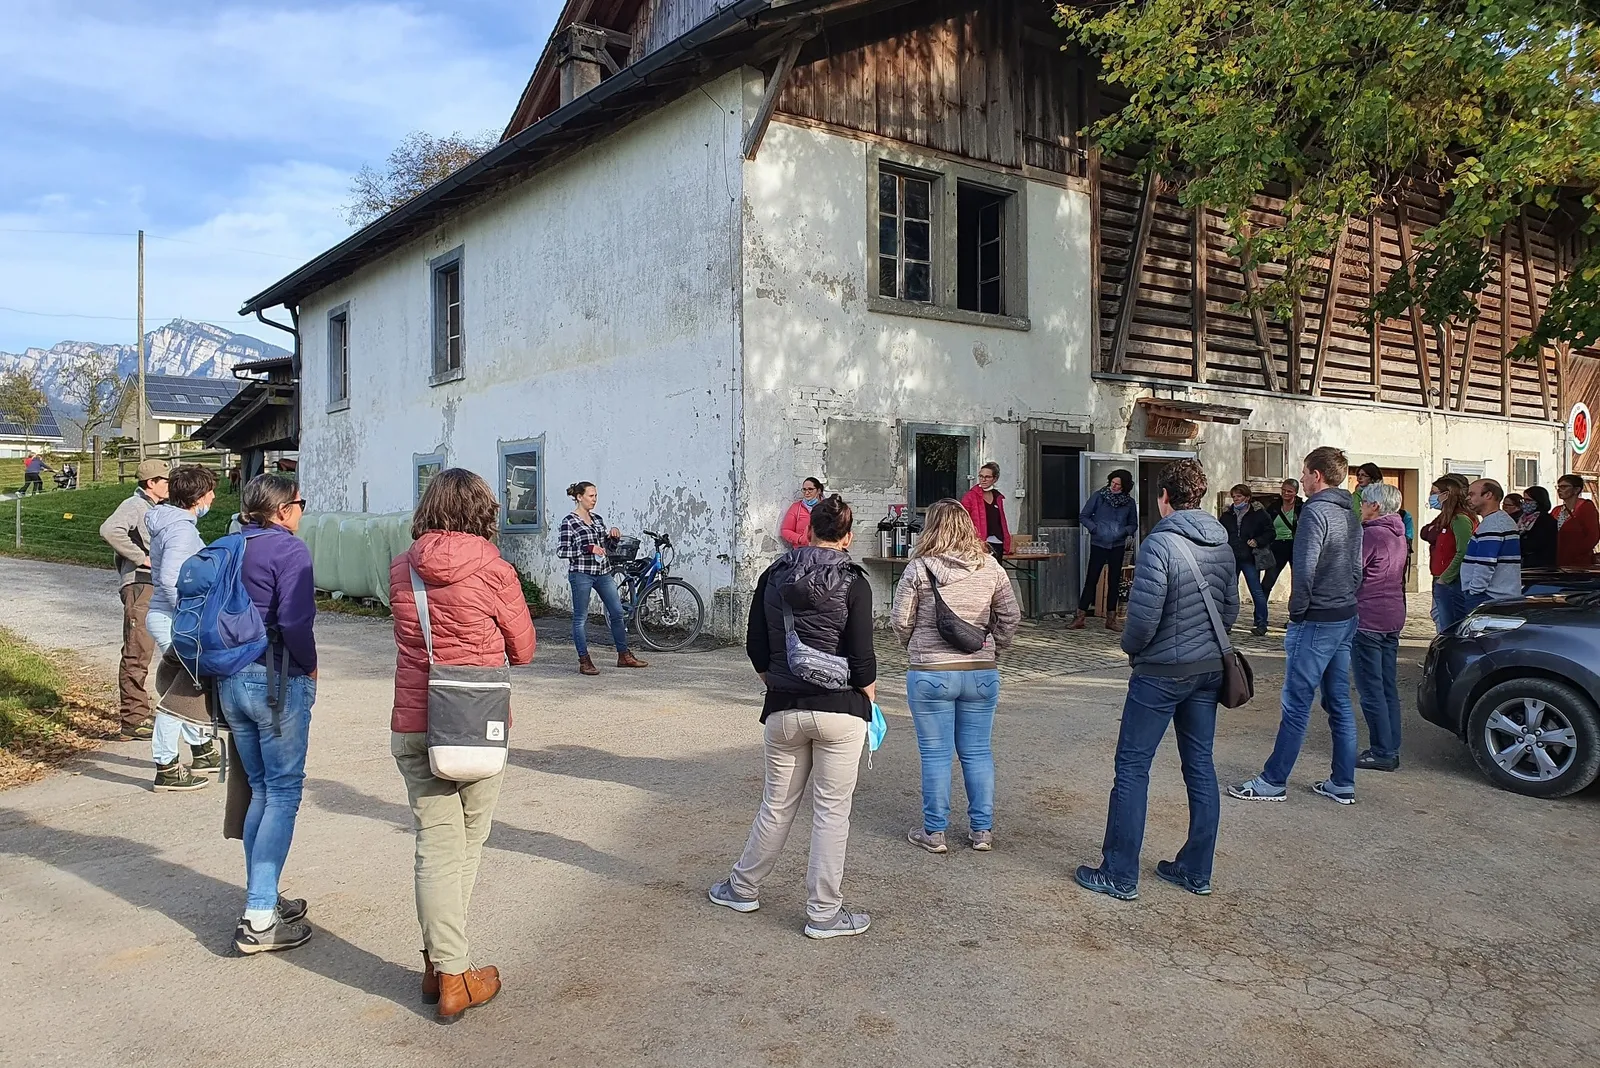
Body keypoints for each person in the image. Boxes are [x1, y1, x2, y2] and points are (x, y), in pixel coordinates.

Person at [390, 469, 536, 1021]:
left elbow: (408, 639)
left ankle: (440, 964)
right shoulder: (496, 570)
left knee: (436, 846)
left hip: (414, 719)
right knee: (467, 844)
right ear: (483, 512)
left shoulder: (402, 568)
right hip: (476, 723)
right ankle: (453, 975)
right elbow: (522, 649)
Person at [710, 494, 875, 940]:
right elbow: (862, 659)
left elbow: (755, 643)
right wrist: (869, 702)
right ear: (848, 536)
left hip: (784, 707)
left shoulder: (773, 575)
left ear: (807, 531)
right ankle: (823, 913)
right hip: (842, 711)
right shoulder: (855, 582)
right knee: (831, 814)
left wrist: (775, 682)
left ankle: (742, 887)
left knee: (776, 806)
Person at [1075, 459, 1237, 901]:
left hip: (1161, 672)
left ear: (1163, 498)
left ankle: (1120, 872)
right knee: (1200, 767)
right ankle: (1195, 869)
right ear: (1199, 496)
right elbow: (1230, 611)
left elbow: (1142, 620)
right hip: (1206, 670)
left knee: (1132, 767)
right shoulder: (1222, 544)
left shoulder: (1159, 545)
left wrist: (1132, 649)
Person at [220, 474, 318, 955]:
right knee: (281, 793)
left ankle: (265, 895)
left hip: (230, 680)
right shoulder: (290, 551)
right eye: (299, 503)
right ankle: (259, 915)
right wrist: (310, 667)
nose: (302, 511)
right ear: (282, 510)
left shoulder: (232, 542)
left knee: (260, 789)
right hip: (276, 678)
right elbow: (297, 620)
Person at [1230, 447, 1361, 805]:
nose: (1300, 479)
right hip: (1345, 614)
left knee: (1296, 703)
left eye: (1304, 473)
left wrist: (1298, 613)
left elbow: (1304, 570)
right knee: (1339, 702)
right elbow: (1356, 567)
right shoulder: (1350, 512)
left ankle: (1273, 781)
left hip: (1317, 618)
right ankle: (1342, 782)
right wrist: (1346, 598)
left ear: (1317, 475)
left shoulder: (1315, 512)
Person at [891, 499, 1021, 854]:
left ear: (931, 528)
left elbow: (900, 620)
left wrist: (914, 647)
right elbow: (1010, 616)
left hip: (931, 672)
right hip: (981, 672)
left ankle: (934, 832)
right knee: (978, 751)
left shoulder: (918, 569)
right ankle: (981, 831)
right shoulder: (991, 568)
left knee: (935, 754)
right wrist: (996, 645)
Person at [144, 465, 219, 792]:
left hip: (168, 616)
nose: (214, 497)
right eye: (210, 491)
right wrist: (191, 614)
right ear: (198, 497)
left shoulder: (176, 523)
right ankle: (167, 766)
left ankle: (200, 749)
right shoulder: (181, 531)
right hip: (175, 619)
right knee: (180, 693)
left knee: (189, 685)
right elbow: (170, 578)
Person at [99, 458, 170, 741]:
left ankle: (138, 711)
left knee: (148, 649)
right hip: (140, 585)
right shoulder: (135, 505)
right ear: (151, 483)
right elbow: (109, 530)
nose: (170, 485)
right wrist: (142, 558)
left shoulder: (156, 508)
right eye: (165, 481)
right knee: (137, 651)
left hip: (153, 586)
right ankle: (133, 719)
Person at [558, 482, 648, 676]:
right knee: (581, 617)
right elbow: (562, 551)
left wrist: (613, 538)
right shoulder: (569, 522)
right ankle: (584, 660)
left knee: (617, 612)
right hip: (581, 573)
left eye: (596, 496)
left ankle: (623, 655)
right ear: (579, 497)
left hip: (603, 571)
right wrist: (587, 548)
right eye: (591, 496)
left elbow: (606, 548)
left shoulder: (597, 520)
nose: (594, 499)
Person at [1352, 483, 1407, 772]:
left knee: (1371, 687)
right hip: (1391, 614)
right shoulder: (1398, 533)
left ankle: (1382, 750)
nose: (1360, 506)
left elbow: (1354, 572)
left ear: (1375, 506)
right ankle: (1390, 745)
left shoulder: (1371, 534)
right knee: (1387, 686)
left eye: (1364, 502)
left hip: (1369, 615)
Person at [1071, 469, 1137, 631]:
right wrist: (1095, 529)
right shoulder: (1099, 496)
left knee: (1114, 582)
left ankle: (1111, 619)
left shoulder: (1129, 503)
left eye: (1118, 485)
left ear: (1125, 486)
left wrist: (1123, 532)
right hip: (1099, 543)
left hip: (1117, 545)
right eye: (1112, 483)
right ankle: (1080, 617)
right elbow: (1084, 516)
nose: (1113, 487)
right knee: (1091, 579)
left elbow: (1133, 524)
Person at [1421, 475, 1474, 633]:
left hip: (1451, 580)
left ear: (1446, 494)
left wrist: (1446, 577)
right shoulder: (1446, 516)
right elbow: (1426, 532)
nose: (1431, 497)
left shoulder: (1460, 519)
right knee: (1441, 619)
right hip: (1441, 577)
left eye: (1434, 492)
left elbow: (1463, 550)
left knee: (1450, 625)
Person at [1461, 479, 1522, 612]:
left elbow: (1486, 562)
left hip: (1489, 596)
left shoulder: (1493, 524)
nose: (1468, 498)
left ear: (1488, 495)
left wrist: (1474, 590)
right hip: (1494, 595)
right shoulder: (1497, 521)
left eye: (1472, 494)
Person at [1220, 484, 1273, 636]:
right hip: (1232, 556)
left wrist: (1258, 541)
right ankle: (1226, 624)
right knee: (1230, 591)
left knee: (1256, 591)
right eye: (1234, 497)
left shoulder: (1258, 513)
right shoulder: (1227, 514)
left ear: (1247, 497)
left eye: (1239, 496)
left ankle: (1261, 623)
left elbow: (1270, 532)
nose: (1236, 500)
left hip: (1250, 557)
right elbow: (1221, 531)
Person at [961, 463, 1012, 564]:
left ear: (995, 479)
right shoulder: (970, 496)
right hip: (979, 544)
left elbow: (1001, 521)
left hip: (998, 542)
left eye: (987, 477)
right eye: (981, 476)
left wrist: (1007, 541)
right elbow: (962, 520)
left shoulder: (998, 496)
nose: (983, 479)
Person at [1262, 478, 1303, 598]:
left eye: (1289, 491)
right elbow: (1265, 525)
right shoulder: (1273, 507)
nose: (1285, 493)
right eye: (1283, 490)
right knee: (1268, 581)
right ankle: (1260, 614)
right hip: (1277, 546)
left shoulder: (1302, 508)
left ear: (1295, 492)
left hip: (1295, 546)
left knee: (1298, 583)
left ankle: (1295, 613)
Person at [1552, 473, 1599, 568]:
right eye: (1558, 486)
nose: (1559, 490)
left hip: (1579, 562)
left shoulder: (1585, 507)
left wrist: (1577, 552)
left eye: (1564, 487)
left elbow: (1593, 535)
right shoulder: (1557, 510)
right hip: (1557, 561)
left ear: (1576, 489)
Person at [1519, 485, 1558, 569]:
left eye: (1528, 500)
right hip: (1524, 563)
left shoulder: (1546, 520)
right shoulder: (1522, 519)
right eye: (1523, 500)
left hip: (1540, 566)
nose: (1525, 503)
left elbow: (1536, 543)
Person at [780, 477, 825, 549]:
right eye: (804, 489)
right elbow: (786, 530)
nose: (807, 493)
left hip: (823, 550)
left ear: (818, 490)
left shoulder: (827, 507)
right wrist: (800, 539)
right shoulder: (796, 508)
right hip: (802, 551)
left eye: (810, 489)